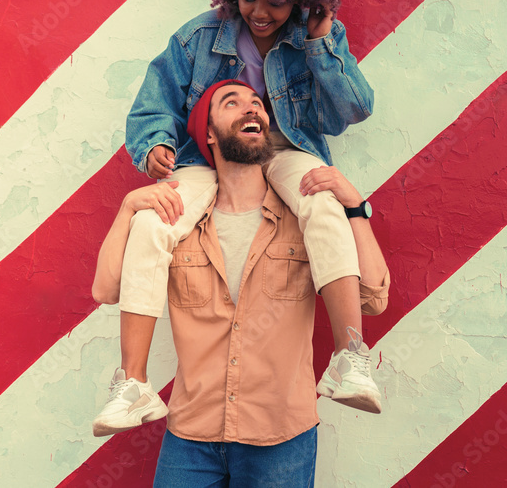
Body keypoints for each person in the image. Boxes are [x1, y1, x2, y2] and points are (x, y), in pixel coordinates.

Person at [91, 0, 380, 437]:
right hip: (208, 158)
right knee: (156, 220)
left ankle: (349, 356)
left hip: (288, 148)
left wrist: (320, 44)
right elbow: (153, 105)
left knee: (322, 202)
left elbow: (353, 110)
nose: (261, 12)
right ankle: (132, 384)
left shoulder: (316, 34)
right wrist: (155, 145)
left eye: (276, 1)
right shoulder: (198, 38)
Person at [100, 81, 390, 486]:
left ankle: (348, 361)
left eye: (257, 103)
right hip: (191, 436)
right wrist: (128, 208)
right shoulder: (176, 223)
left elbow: (372, 298)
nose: (251, 108)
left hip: (281, 436)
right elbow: (107, 289)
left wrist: (355, 208)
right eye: (231, 103)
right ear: (208, 133)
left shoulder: (303, 213)